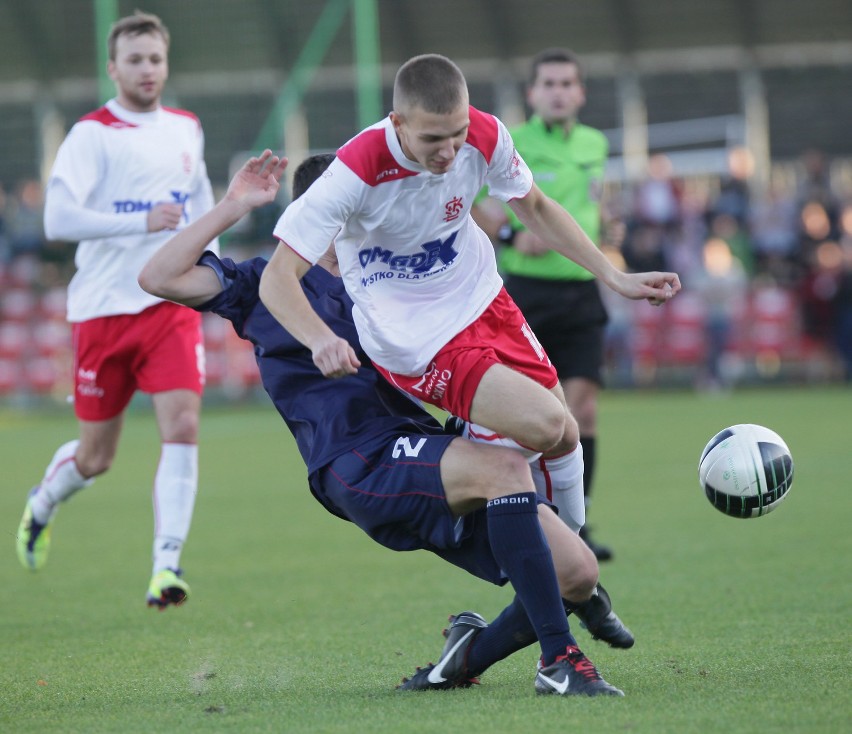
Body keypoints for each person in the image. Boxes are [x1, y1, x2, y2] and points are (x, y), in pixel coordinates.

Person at [139, 149, 634, 696]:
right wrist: (232, 207)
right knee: (504, 471)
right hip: (357, 460)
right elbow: (159, 276)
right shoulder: (264, 283)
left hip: (426, 449)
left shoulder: (388, 274)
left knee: (575, 572)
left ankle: (462, 660)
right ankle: (558, 661)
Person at [259, 53, 679, 627]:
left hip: (483, 298)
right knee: (545, 424)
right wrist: (316, 339)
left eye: (457, 134)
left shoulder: (483, 133)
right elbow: (275, 279)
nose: (450, 151)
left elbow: (533, 205)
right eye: (434, 138)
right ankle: (568, 582)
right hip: (416, 339)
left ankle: (578, 583)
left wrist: (614, 275)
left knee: (566, 435)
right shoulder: (355, 171)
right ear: (398, 123)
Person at [15, 11, 219, 610]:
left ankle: (166, 566)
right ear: (113, 68)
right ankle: (43, 504)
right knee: (95, 456)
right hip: (102, 311)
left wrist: (217, 263)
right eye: (135, 59)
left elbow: (202, 201)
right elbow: (56, 220)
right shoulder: (91, 135)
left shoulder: (186, 128)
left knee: (182, 425)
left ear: (166, 62)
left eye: (155, 58)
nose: (147, 69)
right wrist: (140, 219)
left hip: (167, 304)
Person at [475, 48, 625, 559]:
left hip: (581, 290)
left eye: (567, 83)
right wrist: (511, 238)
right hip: (527, 294)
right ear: (533, 93)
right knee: (537, 415)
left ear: (580, 92)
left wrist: (609, 226)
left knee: (583, 411)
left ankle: (576, 524)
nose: (558, 91)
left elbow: (596, 199)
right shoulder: (512, 141)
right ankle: (530, 518)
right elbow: (471, 200)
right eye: (549, 83)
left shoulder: (594, 143)